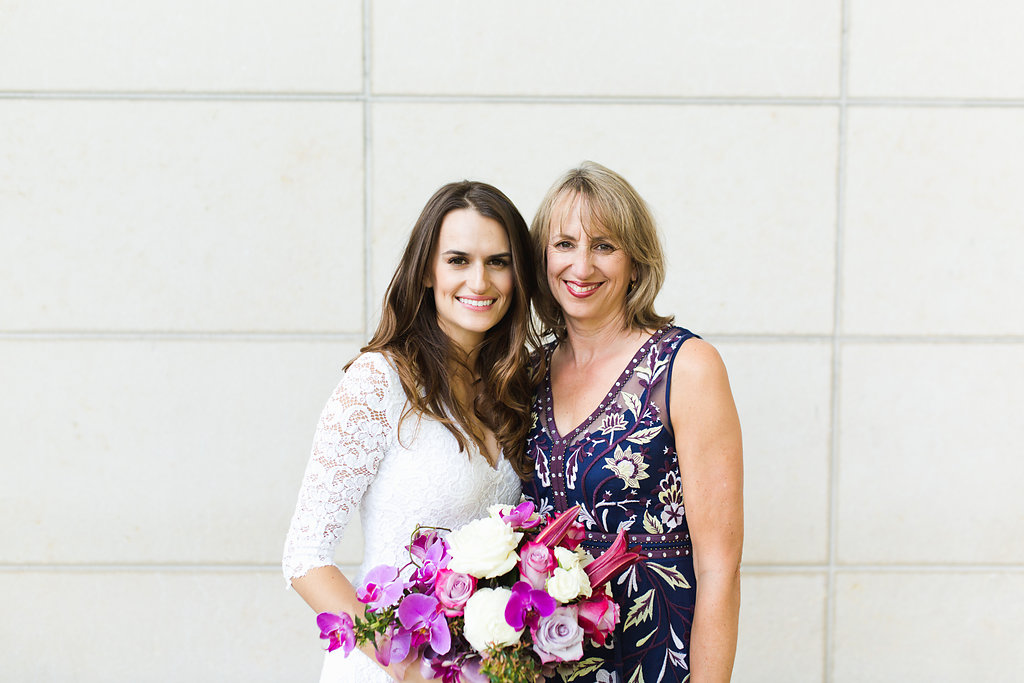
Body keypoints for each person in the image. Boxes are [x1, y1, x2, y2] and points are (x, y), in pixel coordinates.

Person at [283, 180, 537, 682]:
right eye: (458, 260)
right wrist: (401, 663)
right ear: (426, 270)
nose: (479, 281)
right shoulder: (379, 383)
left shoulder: (515, 387)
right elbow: (305, 557)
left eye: (499, 262)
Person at [522, 162, 743, 683]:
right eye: (564, 244)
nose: (581, 266)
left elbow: (720, 568)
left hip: (655, 659)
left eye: (604, 245)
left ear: (635, 261)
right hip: (549, 661)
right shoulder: (527, 375)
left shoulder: (685, 366)